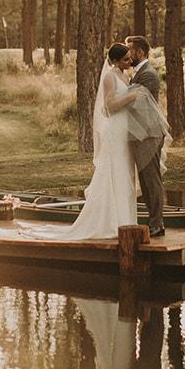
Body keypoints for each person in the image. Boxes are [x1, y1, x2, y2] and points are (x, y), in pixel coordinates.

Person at [54, 43, 144, 240]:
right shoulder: (110, 77)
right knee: (113, 171)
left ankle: (125, 221)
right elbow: (110, 106)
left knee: (125, 173)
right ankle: (109, 222)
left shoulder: (124, 75)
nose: (130, 62)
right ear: (114, 61)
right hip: (115, 131)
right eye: (125, 59)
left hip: (124, 129)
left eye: (130, 58)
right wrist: (130, 97)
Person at [124, 36, 169, 237]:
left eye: (129, 51)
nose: (127, 55)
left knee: (152, 179)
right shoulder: (138, 73)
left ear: (139, 52)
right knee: (146, 179)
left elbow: (139, 105)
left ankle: (157, 223)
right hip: (140, 134)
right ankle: (154, 221)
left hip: (149, 133)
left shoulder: (148, 75)